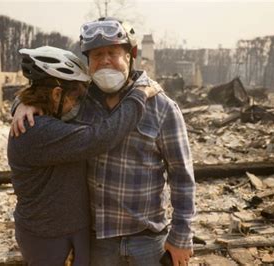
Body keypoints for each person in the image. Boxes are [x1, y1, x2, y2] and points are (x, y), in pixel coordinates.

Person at [11, 17, 196, 266]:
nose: (104, 60)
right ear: (88, 63)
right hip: (98, 242)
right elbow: (48, 102)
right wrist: (23, 104)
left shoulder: (161, 107)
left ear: (130, 55)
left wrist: (182, 235)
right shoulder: (80, 103)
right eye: (97, 55)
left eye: (112, 52)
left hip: (147, 240)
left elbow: (182, 176)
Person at [7, 46, 159, 265]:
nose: (78, 105)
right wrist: (139, 95)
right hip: (50, 238)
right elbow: (101, 137)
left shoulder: (49, 117)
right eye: (75, 97)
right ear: (56, 94)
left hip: (67, 230)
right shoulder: (36, 131)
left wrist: (22, 103)